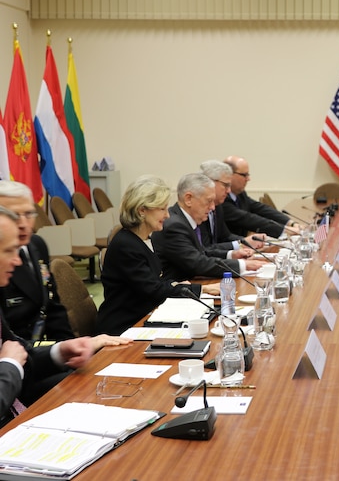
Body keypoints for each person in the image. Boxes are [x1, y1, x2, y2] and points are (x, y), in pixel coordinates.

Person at [0, 182, 128, 350]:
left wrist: (69, 348)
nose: (23, 223)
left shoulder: (37, 245)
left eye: (29, 213)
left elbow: (53, 306)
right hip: (19, 358)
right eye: (14, 215)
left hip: (46, 353)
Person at [0, 208, 94, 425]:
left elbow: (19, 350)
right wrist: (9, 366)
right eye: (9, 251)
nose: (17, 261)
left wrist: (59, 352)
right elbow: (12, 359)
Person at [98, 176, 221, 336]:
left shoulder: (145, 238)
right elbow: (154, 290)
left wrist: (177, 285)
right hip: (125, 327)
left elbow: (154, 281)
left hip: (145, 317)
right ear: (142, 210)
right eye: (162, 209)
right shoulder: (126, 245)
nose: (167, 215)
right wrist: (198, 289)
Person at [151, 173, 266, 282]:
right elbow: (198, 263)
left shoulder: (184, 220)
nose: (212, 207)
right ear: (188, 199)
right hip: (178, 295)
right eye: (209, 201)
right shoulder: (174, 225)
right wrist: (243, 265)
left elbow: (202, 253)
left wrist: (231, 255)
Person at [221, 155, 301, 239]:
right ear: (229, 175)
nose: (248, 179)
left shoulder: (239, 193)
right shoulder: (223, 200)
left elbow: (260, 208)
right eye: (244, 175)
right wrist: (285, 230)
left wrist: (290, 223)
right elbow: (248, 218)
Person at [199, 160, 266, 254]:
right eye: (225, 185)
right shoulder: (198, 210)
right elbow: (206, 248)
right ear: (209, 182)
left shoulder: (218, 206)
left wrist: (247, 241)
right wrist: (240, 244)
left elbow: (225, 236)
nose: (229, 191)